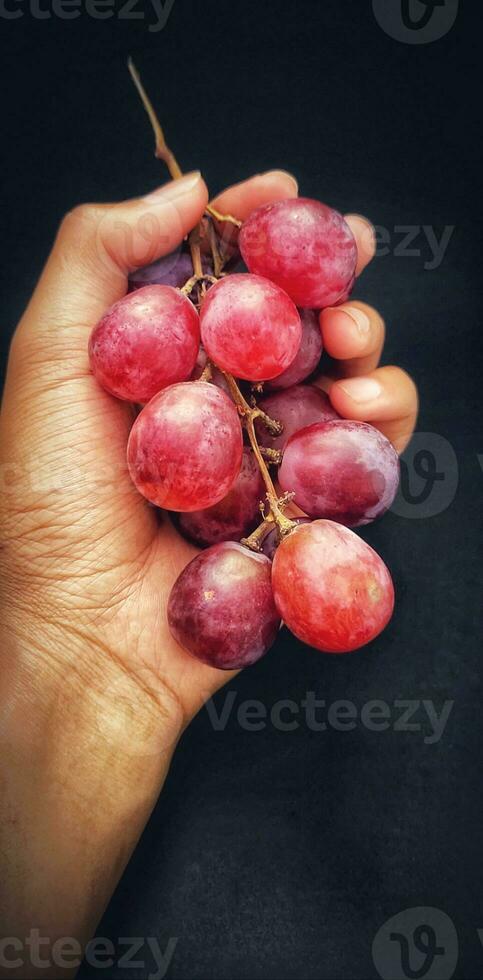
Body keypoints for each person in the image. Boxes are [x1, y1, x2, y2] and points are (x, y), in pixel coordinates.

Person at [0, 170, 418, 978]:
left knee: (332, 372)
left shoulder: (240, 383)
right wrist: (64, 640)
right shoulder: (190, 338)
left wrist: (88, 686)